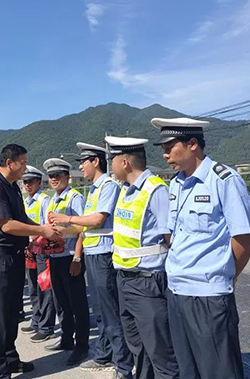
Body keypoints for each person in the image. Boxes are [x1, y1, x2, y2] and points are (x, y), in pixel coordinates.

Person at [151, 117, 250, 379]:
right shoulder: (175, 184)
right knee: (188, 370)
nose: (165, 155)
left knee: (219, 371)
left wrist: (226, 275)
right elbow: (174, 235)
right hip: (177, 291)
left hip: (209, 295)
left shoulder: (224, 180)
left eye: (169, 148)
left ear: (193, 144)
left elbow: (242, 240)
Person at [49, 143, 134, 378]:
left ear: (96, 161)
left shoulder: (108, 186)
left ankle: (122, 365)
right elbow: (83, 226)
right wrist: (57, 231)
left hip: (104, 255)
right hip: (93, 253)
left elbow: (97, 220)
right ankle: (105, 354)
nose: (80, 167)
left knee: (111, 312)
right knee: (100, 311)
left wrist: (67, 219)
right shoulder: (94, 190)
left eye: (83, 162)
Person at [0, 144, 59, 379]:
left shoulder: (12, 187)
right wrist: (41, 231)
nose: (25, 167)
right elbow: (7, 225)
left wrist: (41, 229)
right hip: (0, 256)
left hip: (14, 255)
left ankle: (10, 359)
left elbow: (21, 218)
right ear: (9, 163)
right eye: (22, 163)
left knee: (12, 310)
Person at [106, 136, 178, 379]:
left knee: (160, 352)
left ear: (124, 162)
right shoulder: (125, 191)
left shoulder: (155, 190)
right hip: (125, 279)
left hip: (147, 282)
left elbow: (170, 238)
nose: (111, 165)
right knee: (138, 348)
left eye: (112, 160)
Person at [42, 158, 90, 366]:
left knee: (77, 303)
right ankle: (66, 338)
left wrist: (77, 258)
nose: (54, 179)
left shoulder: (74, 198)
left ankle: (82, 346)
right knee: (61, 302)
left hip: (70, 257)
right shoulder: (53, 200)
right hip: (55, 257)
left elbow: (82, 229)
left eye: (58, 176)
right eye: (51, 176)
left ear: (67, 177)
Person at [20, 165, 56, 343]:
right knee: (33, 287)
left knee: (44, 288)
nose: (27, 185)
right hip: (30, 249)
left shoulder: (44, 200)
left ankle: (46, 326)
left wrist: (32, 239)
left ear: (39, 182)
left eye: (31, 181)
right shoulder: (26, 202)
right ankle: (36, 320)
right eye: (25, 181)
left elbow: (46, 226)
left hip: (41, 249)